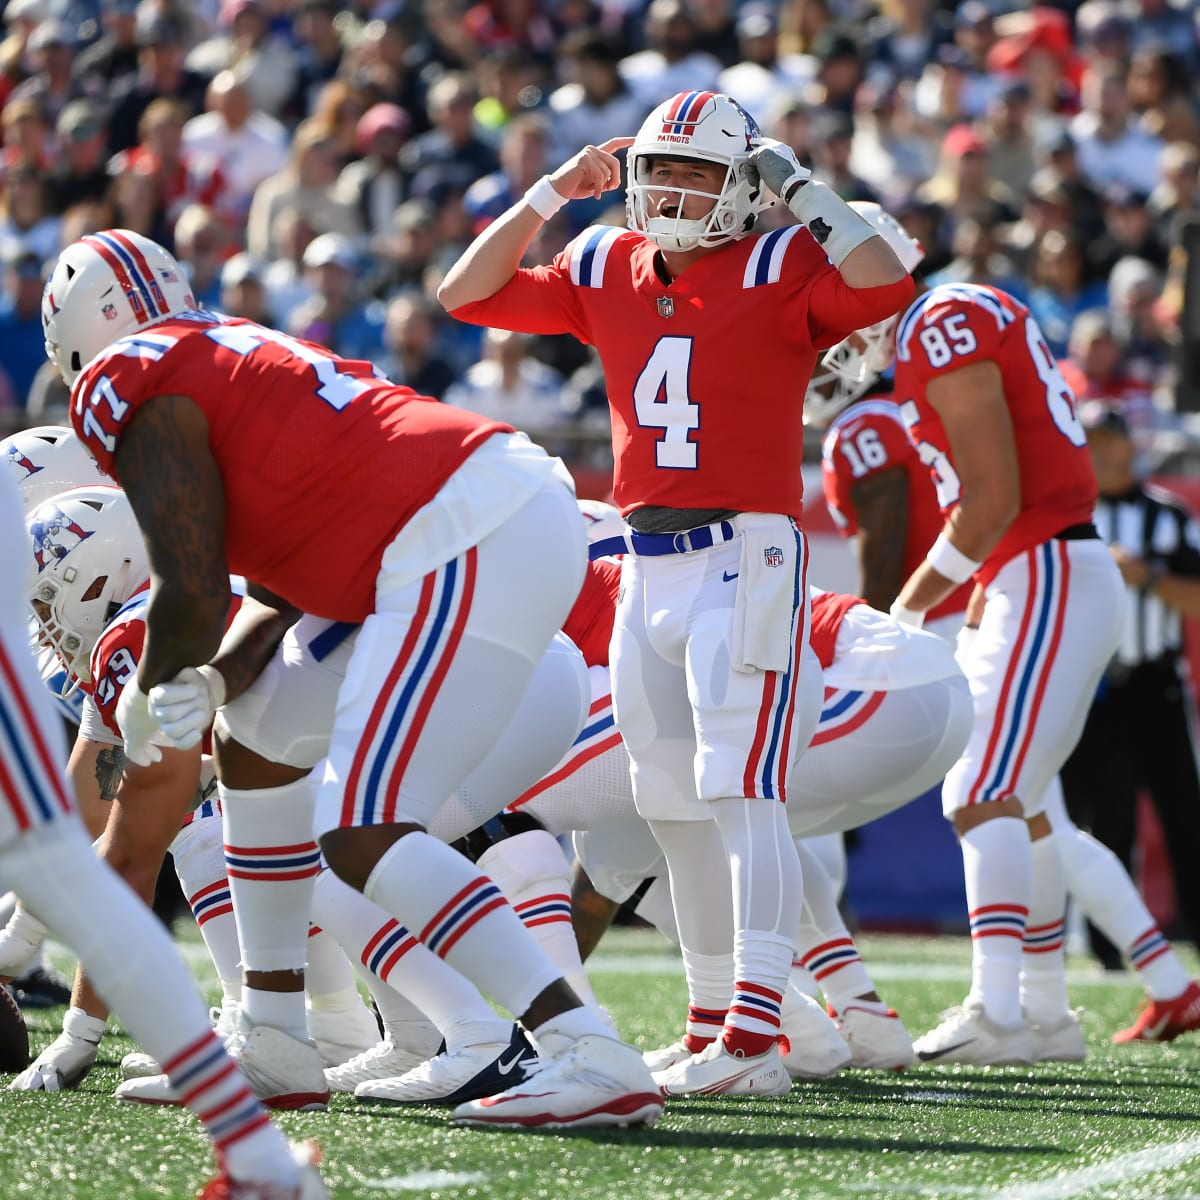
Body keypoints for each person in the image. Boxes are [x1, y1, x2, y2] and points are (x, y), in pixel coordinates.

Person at [44, 227, 662, 1131]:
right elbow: (266, 595)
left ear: (79, 342)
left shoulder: (125, 376)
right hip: (483, 514)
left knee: (359, 826)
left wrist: (148, 692)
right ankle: (275, 1031)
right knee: (255, 733)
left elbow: (190, 578)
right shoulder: (235, 349)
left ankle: (586, 1049)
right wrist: (212, 683)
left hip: (460, 531)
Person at [438, 89, 913, 1095]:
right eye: (661, 169)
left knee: (746, 798)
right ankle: (713, 1026)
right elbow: (465, 295)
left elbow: (883, 284)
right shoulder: (606, 259)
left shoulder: (781, 261)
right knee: (670, 808)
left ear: (743, 186)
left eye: (699, 172)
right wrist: (550, 195)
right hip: (648, 564)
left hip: (747, 554)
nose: (672, 189)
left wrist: (794, 181)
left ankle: (758, 1038)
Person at [0, 465, 327, 1197]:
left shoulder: (136, 631)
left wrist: (78, 1036)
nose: (46, 625)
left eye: (51, 599)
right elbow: (85, 819)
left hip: (341, 794)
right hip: (348, 773)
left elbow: (119, 850)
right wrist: (13, 949)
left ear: (102, 568)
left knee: (200, 829)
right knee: (209, 819)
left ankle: (297, 1053)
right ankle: (330, 1028)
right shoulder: (151, 613)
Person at [879, 238, 1126, 1065]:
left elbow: (993, 496)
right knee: (1020, 800)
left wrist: (908, 606)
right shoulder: (941, 323)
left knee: (982, 787)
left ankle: (998, 1010)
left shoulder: (939, 319)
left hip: (1047, 562)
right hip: (1040, 568)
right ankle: (1047, 1014)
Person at [1058, 402, 1200, 1041]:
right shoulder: (1067, 515)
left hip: (1154, 686)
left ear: (1129, 446)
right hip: (1091, 688)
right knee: (1100, 820)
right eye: (1090, 441)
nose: (1100, 452)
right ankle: (1110, 955)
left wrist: (1144, 576)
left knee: (1183, 815)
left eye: (1109, 440)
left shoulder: (1167, 517)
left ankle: (1193, 939)